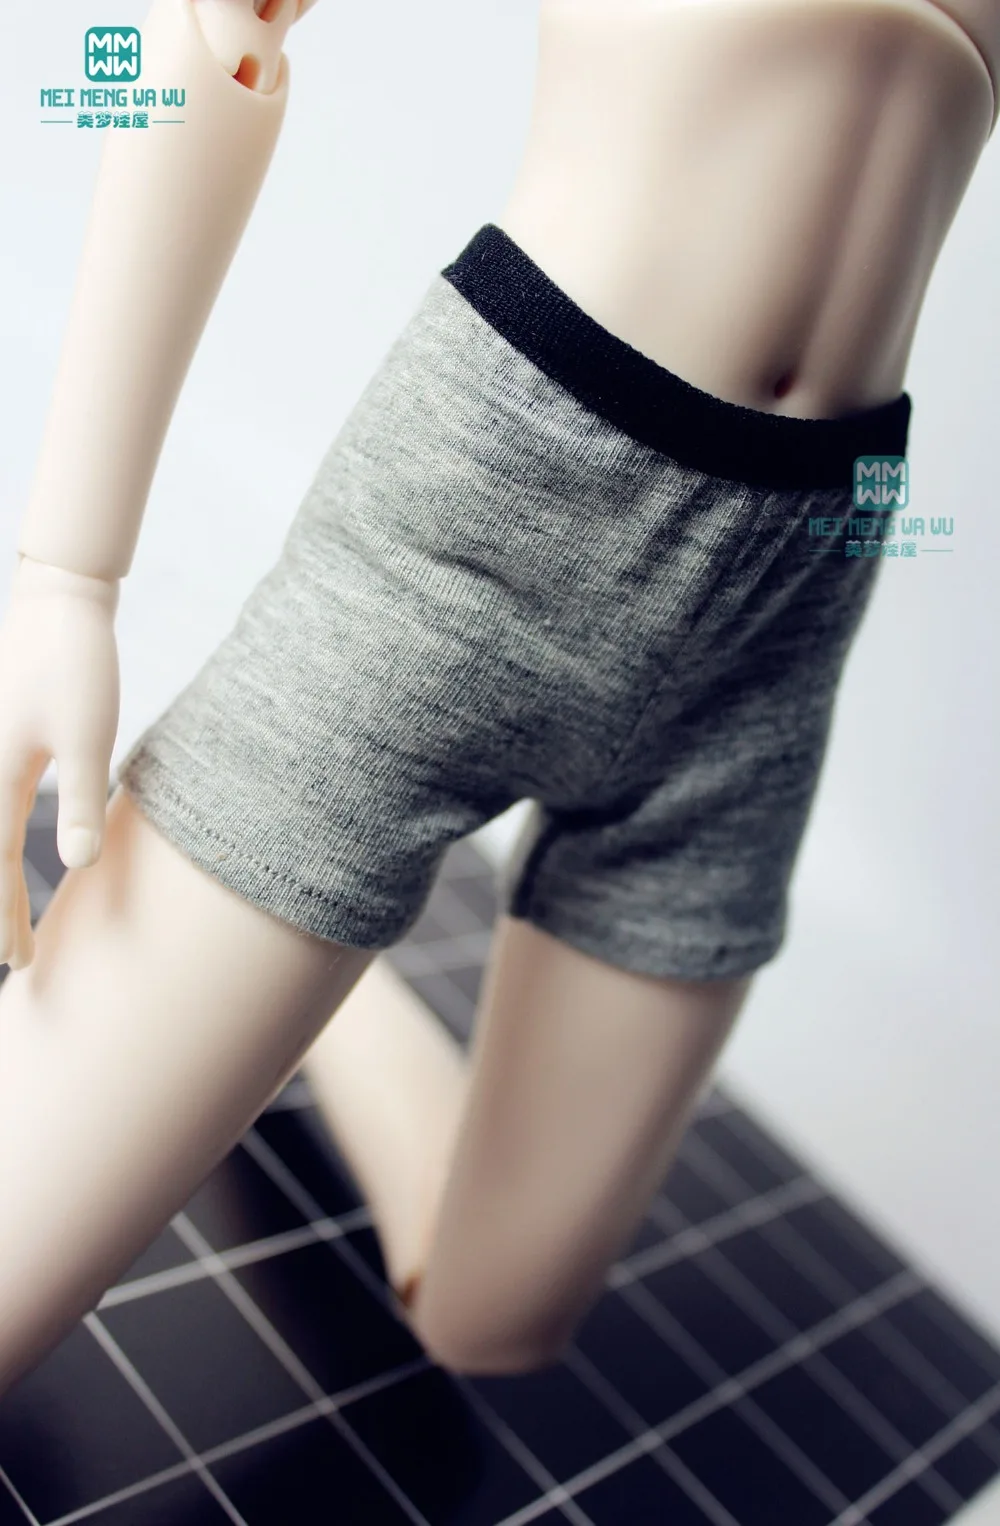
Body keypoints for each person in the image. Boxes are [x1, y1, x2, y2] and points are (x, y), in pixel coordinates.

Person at [0, 0, 995, 1390]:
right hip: (482, 532)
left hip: (792, 603)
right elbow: (209, 27)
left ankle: (321, 998)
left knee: (491, 1319)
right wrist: (68, 573)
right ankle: (270, 957)